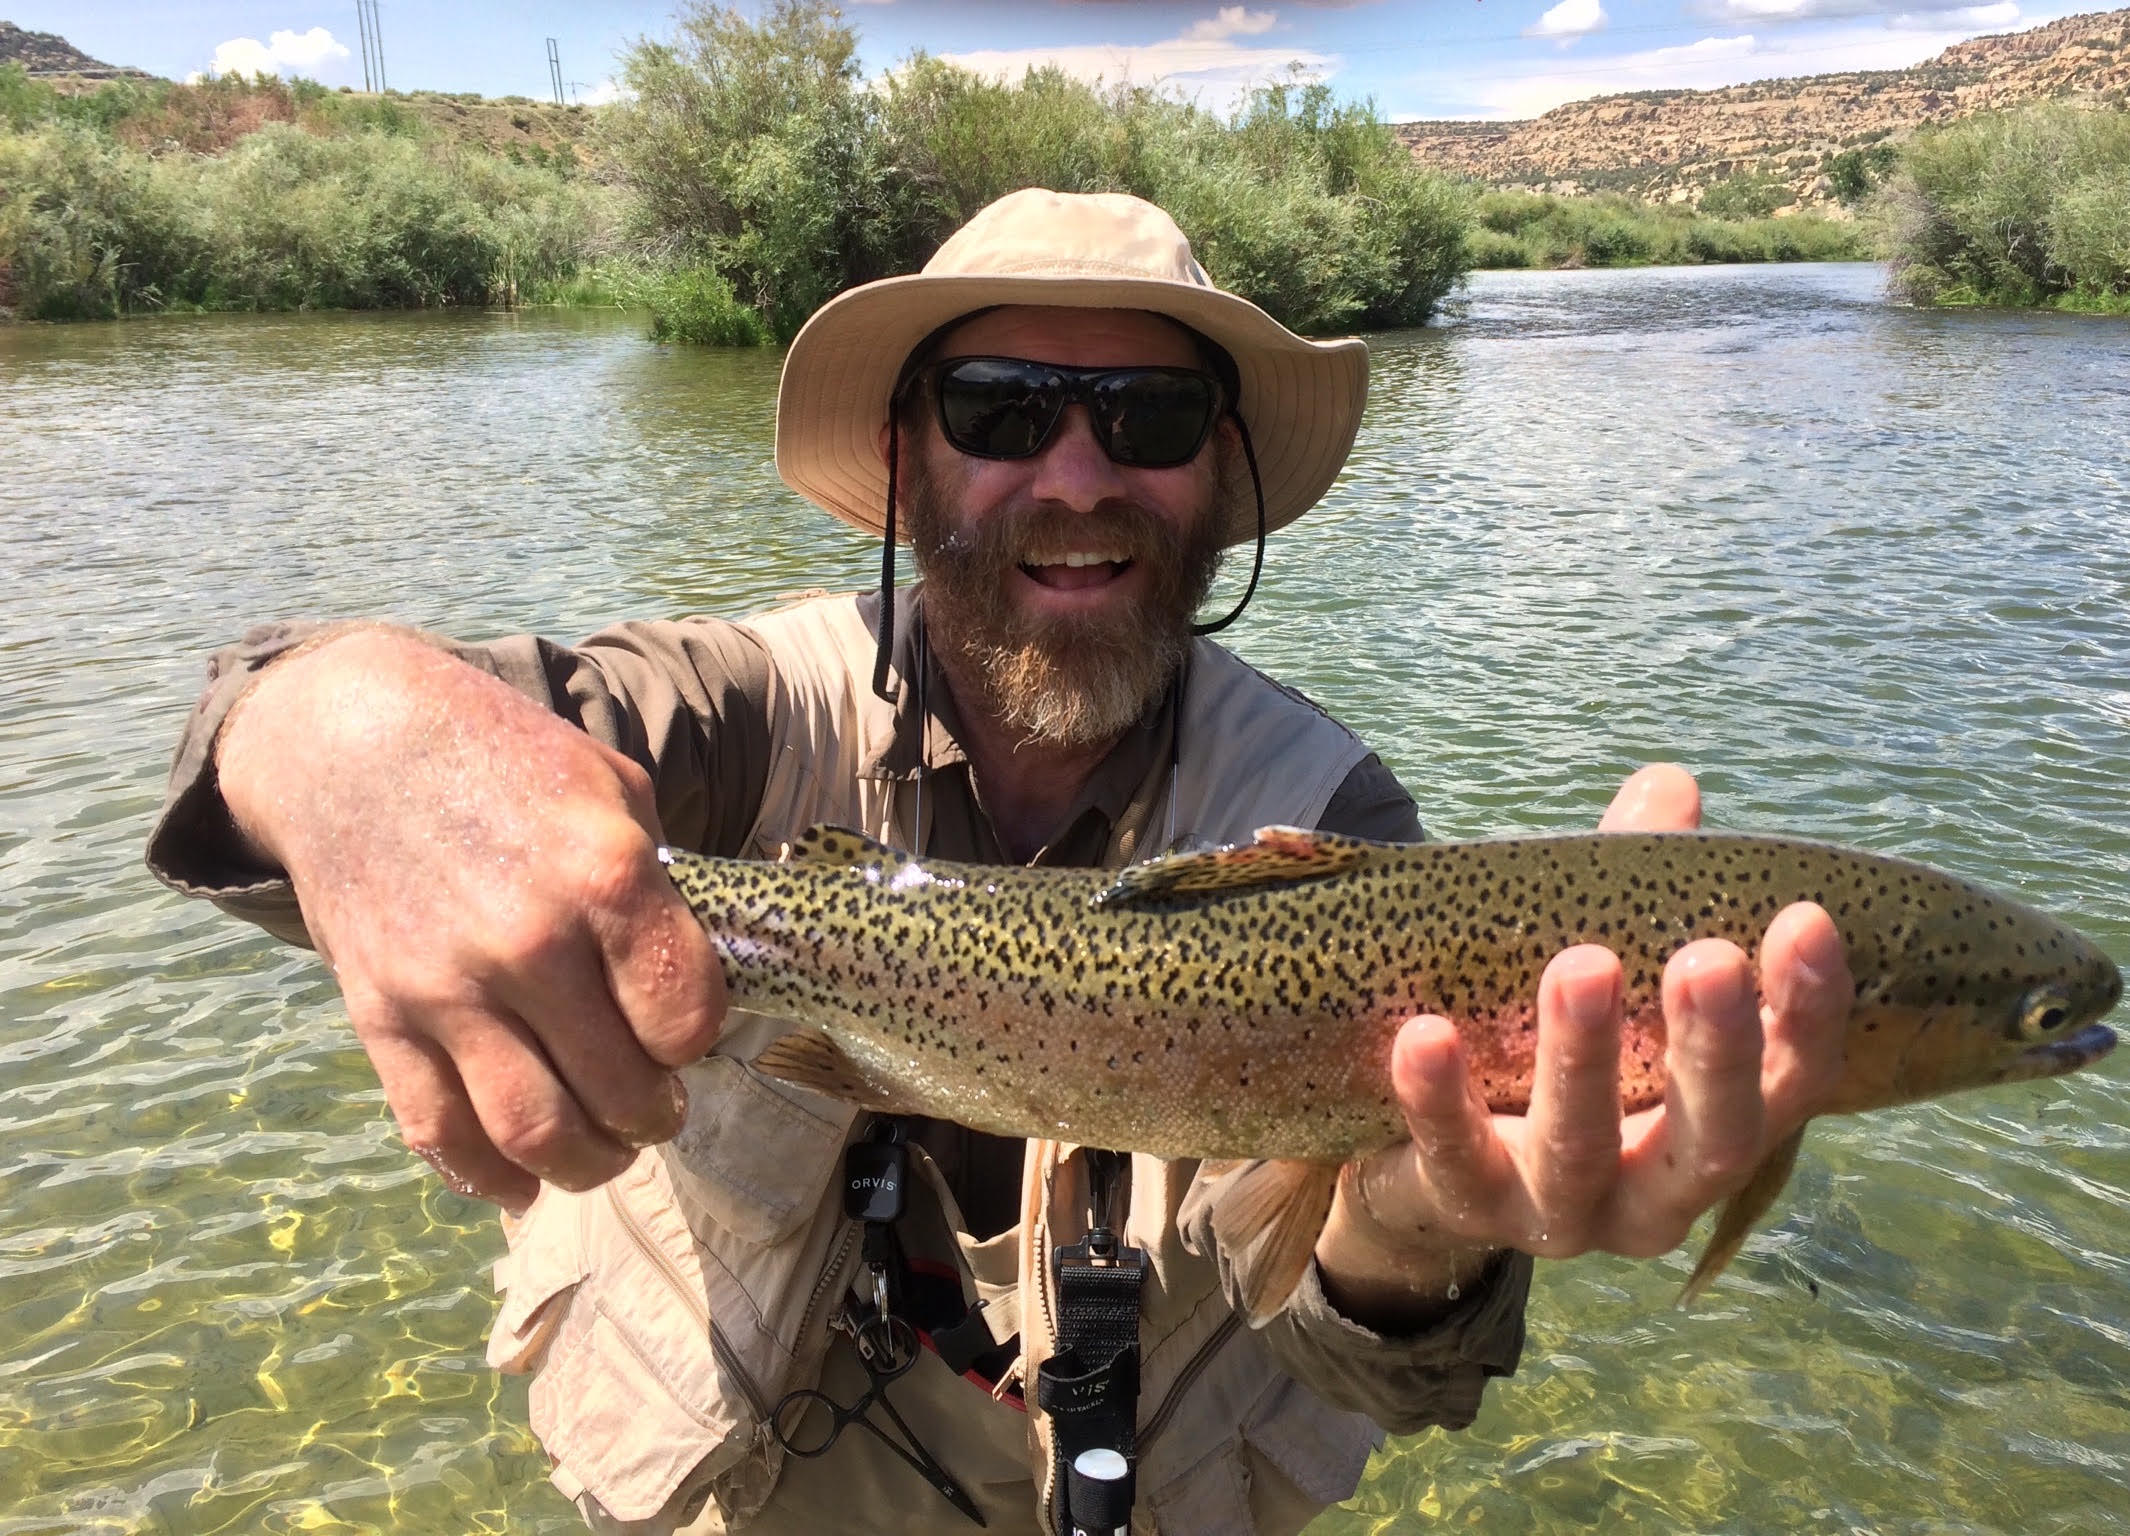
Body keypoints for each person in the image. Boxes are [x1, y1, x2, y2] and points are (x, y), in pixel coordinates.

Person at [146, 189, 1852, 1535]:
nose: (1075, 473)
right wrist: (343, 731)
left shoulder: (1332, 817)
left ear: (1220, 478)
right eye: (1001, 403)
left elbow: (1388, 1369)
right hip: (739, 1495)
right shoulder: (736, 712)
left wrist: (1418, 1227)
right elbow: (337, 724)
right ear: (903, 454)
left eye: (1150, 417)